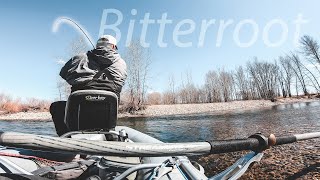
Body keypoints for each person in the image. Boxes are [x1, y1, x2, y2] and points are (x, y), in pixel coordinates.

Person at [50, 35, 127, 136]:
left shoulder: (79, 58)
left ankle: (67, 139)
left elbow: (63, 74)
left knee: (56, 107)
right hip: (106, 120)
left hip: (77, 119)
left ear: (97, 45)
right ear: (113, 47)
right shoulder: (122, 64)